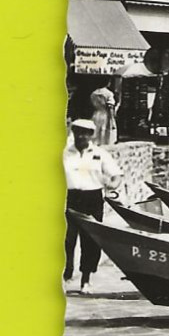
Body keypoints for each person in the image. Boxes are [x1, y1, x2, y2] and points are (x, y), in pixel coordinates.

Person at [64, 119, 121, 294]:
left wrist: (113, 184)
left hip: (92, 199)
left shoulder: (100, 154)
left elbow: (116, 175)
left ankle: (86, 279)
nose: (81, 136)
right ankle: (66, 276)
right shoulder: (64, 153)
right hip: (69, 198)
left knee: (90, 241)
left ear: (91, 134)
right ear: (73, 133)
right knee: (67, 240)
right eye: (78, 132)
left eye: (85, 132)